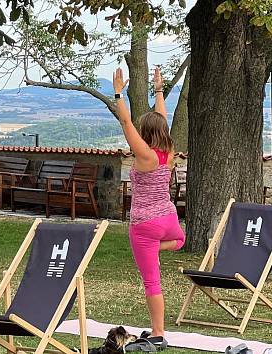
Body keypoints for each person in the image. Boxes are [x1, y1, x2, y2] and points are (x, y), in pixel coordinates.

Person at [113, 66, 186, 346]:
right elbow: (163, 120)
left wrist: (119, 92)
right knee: (180, 240)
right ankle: (161, 246)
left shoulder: (144, 154)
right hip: (168, 218)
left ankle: (158, 334)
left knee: (152, 281)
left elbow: (125, 122)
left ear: (146, 131)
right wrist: (158, 89)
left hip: (145, 225)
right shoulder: (167, 153)